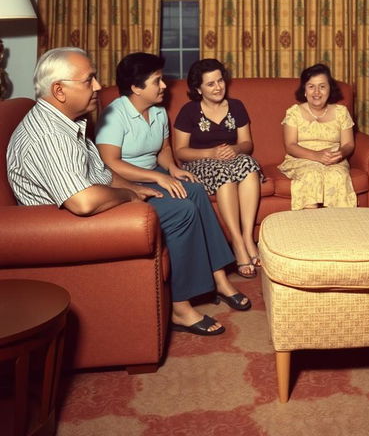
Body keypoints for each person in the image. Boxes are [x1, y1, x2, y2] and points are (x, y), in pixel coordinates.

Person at [6, 47, 235, 337]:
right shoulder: (49, 135)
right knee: (182, 211)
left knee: (189, 193)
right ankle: (180, 307)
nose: (99, 87)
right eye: (89, 80)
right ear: (59, 90)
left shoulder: (67, 123)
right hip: (66, 226)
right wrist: (131, 195)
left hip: (90, 205)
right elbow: (84, 201)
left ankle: (212, 279)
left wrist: (138, 187)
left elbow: (101, 172)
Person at [95, 52, 252, 334]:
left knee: (195, 191)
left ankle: (219, 278)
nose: (165, 86)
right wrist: (156, 176)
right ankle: (182, 307)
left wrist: (173, 169)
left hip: (156, 174)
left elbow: (165, 150)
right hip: (125, 182)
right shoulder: (114, 114)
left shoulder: (157, 112)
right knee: (185, 209)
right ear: (136, 87)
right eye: (157, 81)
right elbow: (110, 162)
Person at [173, 58, 263, 279]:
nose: (218, 87)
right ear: (198, 89)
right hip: (200, 162)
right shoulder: (189, 111)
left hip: (231, 158)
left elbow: (247, 144)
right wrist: (210, 153)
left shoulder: (237, 106)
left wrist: (234, 149)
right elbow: (180, 151)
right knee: (224, 173)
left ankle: (247, 236)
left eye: (220, 81)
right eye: (210, 84)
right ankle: (238, 244)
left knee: (249, 165)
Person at [278, 63, 357, 210]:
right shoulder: (294, 112)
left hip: (333, 159)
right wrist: (316, 156)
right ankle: (309, 226)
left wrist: (340, 154)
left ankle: (340, 226)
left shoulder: (341, 112)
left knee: (338, 176)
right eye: (311, 86)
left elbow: (348, 144)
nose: (317, 92)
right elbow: (290, 146)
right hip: (302, 159)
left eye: (322, 86)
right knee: (311, 174)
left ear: (329, 89)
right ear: (304, 91)